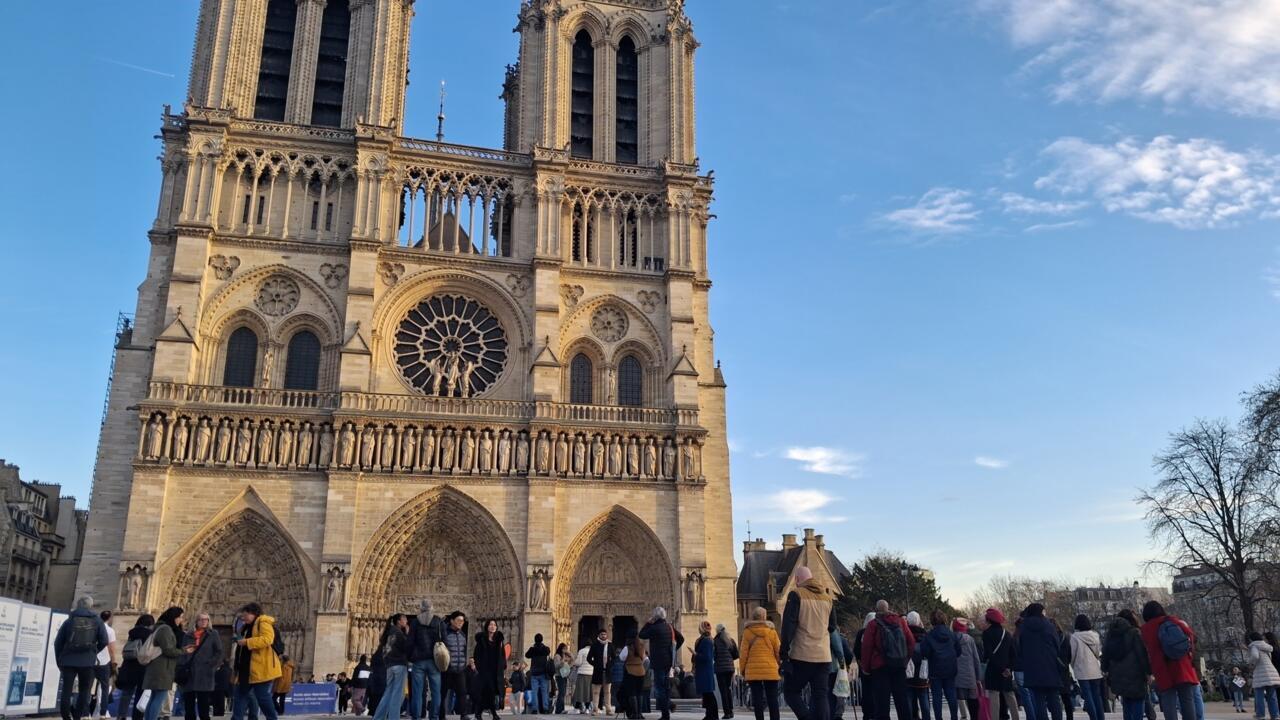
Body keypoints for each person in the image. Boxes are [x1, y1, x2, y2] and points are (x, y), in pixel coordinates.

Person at [781, 567, 838, 720]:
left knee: (791, 692)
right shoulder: (827, 598)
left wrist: (784, 653)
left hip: (802, 654)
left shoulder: (796, 595)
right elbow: (832, 626)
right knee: (821, 695)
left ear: (797, 580)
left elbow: (788, 626)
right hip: (823, 656)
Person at [1138, 601, 1197, 720]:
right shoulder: (1173, 621)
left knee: (1168, 701)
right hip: (1182, 665)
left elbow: (1145, 652)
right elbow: (1191, 637)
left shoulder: (1145, 629)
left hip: (1162, 668)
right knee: (1187, 700)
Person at [55, 595, 111, 720]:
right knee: (84, 691)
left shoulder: (69, 620)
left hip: (68, 660)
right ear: (90, 606)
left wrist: (59, 659)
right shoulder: (97, 621)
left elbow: (58, 642)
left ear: (78, 605)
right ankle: (77, 716)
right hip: (87, 661)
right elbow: (104, 640)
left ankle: (65, 716)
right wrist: (94, 651)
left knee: (66, 690)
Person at [861, 599, 914, 720]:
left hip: (880, 667)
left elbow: (867, 647)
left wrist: (866, 668)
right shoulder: (900, 621)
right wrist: (905, 660)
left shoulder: (873, 624)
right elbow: (911, 642)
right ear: (888, 608)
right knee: (902, 701)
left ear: (876, 610)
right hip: (899, 666)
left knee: (882, 703)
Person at [231, 603, 283, 720]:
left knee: (263, 697)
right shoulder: (247, 627)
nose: (243, 618)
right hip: (246, 668)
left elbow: (267, 639)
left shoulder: (263, 622)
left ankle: (272, 718)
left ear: (253, 613)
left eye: (245, 615)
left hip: (261, 668)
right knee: (240, 695)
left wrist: (247, 642)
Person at [1102, 610, 1151, 720]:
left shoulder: (1111, 635)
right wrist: (1148, 672)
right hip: (1135, 674)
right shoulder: (1135, 633)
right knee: (1138, 700)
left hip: (1117, 674)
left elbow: (1105, 653)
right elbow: (1142, 655)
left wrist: (1105, 669)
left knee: (1126, 700)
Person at [1018, 604, 1064, 720]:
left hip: (1032, 668)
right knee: (1054, 699)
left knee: (1038, 700)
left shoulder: (1024, 626)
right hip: (1050, 666)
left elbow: (1021, 647)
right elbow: (1057, 644)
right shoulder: (1049, 625)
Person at [142, 607, 187, 720]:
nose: (180, 620)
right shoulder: (165, 629)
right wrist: (184, 651)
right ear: (173, 617)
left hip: (158, 667)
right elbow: (168, 650)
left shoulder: (160, 627)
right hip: (162, 669)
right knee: (159, 698)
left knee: (154, 697)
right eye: (180, 617)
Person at [639, 607, 684, 720]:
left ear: (655, 617)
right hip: (669, 662)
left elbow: (642, 634)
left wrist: (648, 623)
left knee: (659, 688)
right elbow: (681, 639)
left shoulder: (654, 628)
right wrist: (672, 650)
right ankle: (667, 710)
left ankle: (667, 711)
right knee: (665, 687)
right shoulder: (670, 627)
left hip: (658, 662)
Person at [739, 607, 781, 720]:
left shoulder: (747, 632)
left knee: (757, 699)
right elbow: (778, 651)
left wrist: (742, 669)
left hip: (753, 671)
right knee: (773, 699)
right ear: (764, 616)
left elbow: (743, 654)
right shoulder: (772, 632)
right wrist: (779, 665)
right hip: (770, 669)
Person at [183, 613, 224, 720]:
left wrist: (211, 665)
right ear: (196, 621)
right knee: (189, 704)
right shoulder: (188, 635)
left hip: (205, 672)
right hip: (189, 672)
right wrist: (181, 665)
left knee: (203, 704)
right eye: (201, 619)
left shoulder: (213, 634)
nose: (204, 621)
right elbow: (182, 652)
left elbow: (219, 652)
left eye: (206, 619)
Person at [922, 611, 961, 720]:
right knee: (951, 694)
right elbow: (958, 651)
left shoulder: (929, 636)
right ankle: (954, 717)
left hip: (935, 669)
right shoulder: (952, 634)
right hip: (950, 668)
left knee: (936, 696)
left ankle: (939, 717)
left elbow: (924, 652)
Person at [371, 614, 411, 720]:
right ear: (399, 621)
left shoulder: (388, 632)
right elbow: (407, 647)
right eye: (404, 619)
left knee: (388, 693)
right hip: (399, 665)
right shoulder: (399, 633)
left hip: (389, 666)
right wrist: (407, 634)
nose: (406, 621)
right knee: (398, 694)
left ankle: (378, 717)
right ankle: (394, 718)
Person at [410, 602, 446, 720]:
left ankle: (416, 717)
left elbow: (410, 642)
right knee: (436, 692)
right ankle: (434, 717)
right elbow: (445, 640)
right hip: (434, 661)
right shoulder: (439, 621)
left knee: (417, 692)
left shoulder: (415, 622)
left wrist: (410, 657)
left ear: (420, 609)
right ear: (432, 608)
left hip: (418, 660)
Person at [981, 609, 1019, 720]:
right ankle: (1016, 717)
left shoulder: (987, 634)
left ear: (989, 620)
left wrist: (1001, 668)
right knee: (1010, 695)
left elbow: (989, 654)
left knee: (994, 696)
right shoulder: (1007, 634)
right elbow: (1013, 654)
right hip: (1006, 671)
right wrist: (1008, 668)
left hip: (994, 669)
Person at [115, 614, 154, 720]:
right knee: (140, 695)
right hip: (143, 667)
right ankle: (137, 717)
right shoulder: (150, 635)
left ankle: (121, 715)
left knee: (126, 693)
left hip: (129, 665)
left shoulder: (132, 632)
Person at [1069, 616, 1103, 720]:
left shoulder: (1074, 637)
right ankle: (1100, 717)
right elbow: (1098, 653)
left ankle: (1093, 717)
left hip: (1081, 669)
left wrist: (1073, 665)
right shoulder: (1095, 635)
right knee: (1097, 696)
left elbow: (1072, 655)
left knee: (1088, 696)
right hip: (1095, 670)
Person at [441, 612, 472, 720]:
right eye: (458, 620)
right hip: (447, 668)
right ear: (452, 621)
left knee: (462, 692)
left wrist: (464, 664)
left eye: (462, 621)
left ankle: (463, 714)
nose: (461, 623)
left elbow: (463, 650)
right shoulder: (445, 633)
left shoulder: (462, 634)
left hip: (460, 668)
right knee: (443, 693)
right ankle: (441, 715)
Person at [473, 620, 505, 720]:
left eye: (494, 625)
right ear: (487, 626)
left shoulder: (499, 640)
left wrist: (503, 666)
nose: (493, 626)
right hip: (484, 670)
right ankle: (494, 714)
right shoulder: (481, 639)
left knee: (488, 693)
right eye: (491, 625)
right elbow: (476, 654)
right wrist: (479, 667)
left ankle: (478, 713)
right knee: (489, 691)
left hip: (495, 670)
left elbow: (502, 655)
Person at [952, 619, 981, 720]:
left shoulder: (951, 639)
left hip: (956, 675)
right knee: (973, 700)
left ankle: (960, 716)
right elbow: (976, 659)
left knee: (956, 699)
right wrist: (978, 677)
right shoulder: (970, 639)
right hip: (970, 675)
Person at [1247, 632, 1279, 720]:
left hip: (1261, 673)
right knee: (1272, 696)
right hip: (1272, 673)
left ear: (1252, 639)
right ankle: (1275, 715)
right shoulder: (1267, 646)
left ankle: (1260, 715)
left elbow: (1255, 656)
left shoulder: (1254, 646)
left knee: (1259, 696)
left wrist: (1250, 662)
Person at [905, 612, 931, 720]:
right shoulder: (925, 635)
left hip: (908, 670)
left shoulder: (905, 633)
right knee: (924, 697)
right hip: (922, 671)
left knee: (909, 698)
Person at [93, 610, 117, 720]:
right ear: (109, 618)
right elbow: (111, 648)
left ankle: (85, 713)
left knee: (88, 687)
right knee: (105, 687)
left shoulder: (94, 628)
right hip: (105, 661)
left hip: (92, 660)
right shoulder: (110, 630)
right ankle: (103, 712)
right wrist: (114, 661)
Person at [855, 613, 878, 720]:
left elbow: (856, 650)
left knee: (866, 691)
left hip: (863, 666)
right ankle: (875, 712)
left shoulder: (861, 633)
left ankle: (866, 714)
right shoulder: (878, 631)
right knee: (876, 691)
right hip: (876, 667)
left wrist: (860, 662)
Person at [713, 625, 740, 719]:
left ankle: (727, 712)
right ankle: (731, 711)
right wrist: (729, 659)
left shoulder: (715, 641)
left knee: (723, 691)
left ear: (717, 631)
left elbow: (714, 655)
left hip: (720, 669)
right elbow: (736, 654)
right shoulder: (730, 640)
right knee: (728, 689)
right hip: (729, 668)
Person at [620, 632, 648, 720]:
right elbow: (644, 658)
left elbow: (622, 657)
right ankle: (640, 713)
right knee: (639, 693)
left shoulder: (627, 647)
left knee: (632, 693)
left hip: (630, 671)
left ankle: (635, 714)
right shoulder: (641, 646)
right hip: (641, 671)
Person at [695, 622, 719, 720]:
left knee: (709, 694)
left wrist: (696, 654)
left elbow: (707, 657)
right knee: (707, 694)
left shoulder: (706, 641)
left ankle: (713, 716)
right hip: (704, 670)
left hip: (705, 671)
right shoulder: (706, 640)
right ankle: (709, 715)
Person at [588, 630, 613, 716]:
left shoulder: (610, 645)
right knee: (596, 692)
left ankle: (608, 709)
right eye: (602, 634)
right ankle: (595, 709)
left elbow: (614, 657)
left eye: (605, 634)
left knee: (607, 692)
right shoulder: (595, 645)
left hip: (607, 672)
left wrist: (610, 665)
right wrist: (595, 665)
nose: (603, 636)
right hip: (598, 672)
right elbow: (589, 658)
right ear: (599, 635)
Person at [527, 634, 553, 715]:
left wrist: (533, 648)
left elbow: (527, 655)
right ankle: (545, 708)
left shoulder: (532, 649)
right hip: (543, 673)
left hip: (534, 673)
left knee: (534, 692)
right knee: (544, 692)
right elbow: (549, 652)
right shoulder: (545, 649)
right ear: (542, 640)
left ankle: (535, 709)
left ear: (535, 640)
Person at [573, 643, 594, 713]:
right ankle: (587, 708)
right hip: (591, 673)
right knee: (588, 691)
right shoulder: (593, 650)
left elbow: (578, 662)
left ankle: (577, 708)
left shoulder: (581, 651)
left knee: (580, 691)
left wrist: (574, 662)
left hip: (582, 673)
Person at [554, 644, 574, 714]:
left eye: (566, 648)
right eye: (564, 648)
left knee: (563, 692)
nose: (565, 650)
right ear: (561, 649)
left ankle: (561, 708)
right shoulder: (557, 656)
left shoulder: (565, 655)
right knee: (561, 692)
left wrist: (569, 654)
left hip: (565, 675)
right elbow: (556, 666)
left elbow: (572, 660)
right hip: (559, 676)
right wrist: (562, 661)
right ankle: (558, 709)